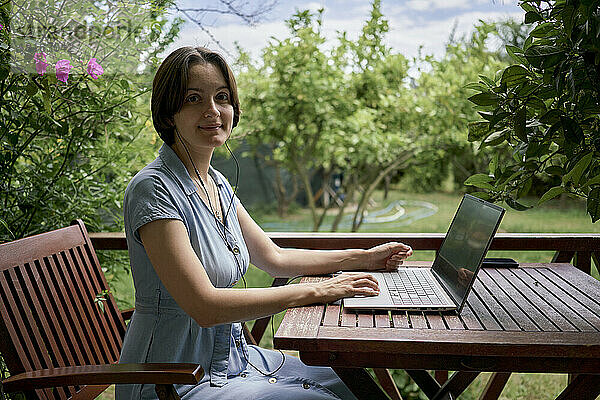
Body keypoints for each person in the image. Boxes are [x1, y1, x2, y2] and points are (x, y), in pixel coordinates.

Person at [116, 46, 413, 400]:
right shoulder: (153, 189)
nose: (212, 111)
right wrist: (318, 291)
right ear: (168, 114)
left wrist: (364, 258)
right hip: (173, 379)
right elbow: (205, 306)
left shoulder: (215, 183)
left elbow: (274, 258)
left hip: (233, 361)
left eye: (222, 97)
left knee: (353, 383)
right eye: (193, 98)